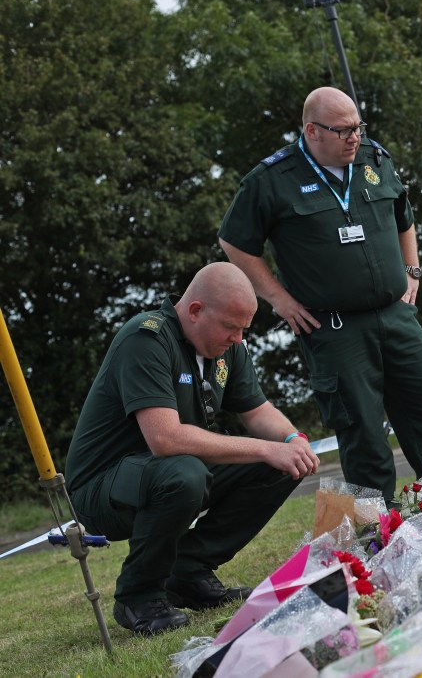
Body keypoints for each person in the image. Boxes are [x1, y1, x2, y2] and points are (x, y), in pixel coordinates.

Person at [218, 86, 422, 506]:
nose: (355, 137)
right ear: (312, 131)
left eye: (358, 127)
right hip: (336, 329)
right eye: (344, 130)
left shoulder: (374, 159)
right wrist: (279, 299)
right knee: (363, 436)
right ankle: (378, 538)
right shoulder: (272, 179)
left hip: (396, 315)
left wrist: (412, 270)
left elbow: (405, 216)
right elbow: (235, 241)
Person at [65, 263, 320, 636]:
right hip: (102, 486)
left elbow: (258, 411)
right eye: (231, 327)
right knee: (185, 473)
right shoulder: (147, 338)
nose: (238, 338)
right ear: (196, 310)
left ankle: (188, 571)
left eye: (243, 329)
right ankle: (138, 596)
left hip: (165, 471)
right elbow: (164, 439)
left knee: (282, 463)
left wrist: (291, 441)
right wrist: (265, 449)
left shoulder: (227, 348)